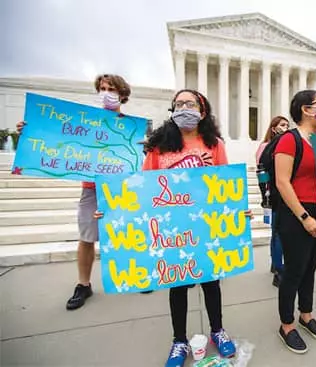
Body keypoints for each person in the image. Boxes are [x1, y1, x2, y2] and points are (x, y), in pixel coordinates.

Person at [97, 89, 253, 366]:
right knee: (177, 285)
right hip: (173, 231)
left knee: (211, 280)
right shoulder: (159, 146)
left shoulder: (214, 144)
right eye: (178, 103)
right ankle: (179, 341)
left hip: (206, 228)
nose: (183, 107)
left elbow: (226, 184)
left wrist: (238, 209)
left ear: (201, 110)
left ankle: (218, 330)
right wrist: (112, 209)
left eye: (189, 103)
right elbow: (142, 188)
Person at [15, 74, 149, 310]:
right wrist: (30, 130)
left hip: (122, 188)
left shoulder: (132, 127)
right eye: (102, 88)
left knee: (128, 233)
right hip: (91, 189)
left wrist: (146, 147)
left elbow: (143, 159)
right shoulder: (84, 121)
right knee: (87, 236)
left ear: (123, 95)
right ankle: (83, 284)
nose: (105, 93)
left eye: (111, 89)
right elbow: (52, 136)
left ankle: (134, 276)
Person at [276, 90, 316, 354]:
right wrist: (305, 217)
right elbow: (282, 182)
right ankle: (286, 324)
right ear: (305, 110)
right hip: (296, 213)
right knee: (294, 271)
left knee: (310, 268)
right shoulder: (289, 140)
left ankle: (306, 315)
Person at [256, 116, 290, 287]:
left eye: (287, 125)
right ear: (274, 128)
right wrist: (265, 197)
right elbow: (261, 172)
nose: (286, 128)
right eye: (282, 125)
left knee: (278, 234)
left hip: (285, 194)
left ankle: (276, 263)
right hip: (273, 196)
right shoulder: (266, 147)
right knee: (277, 234)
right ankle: (278, 269)